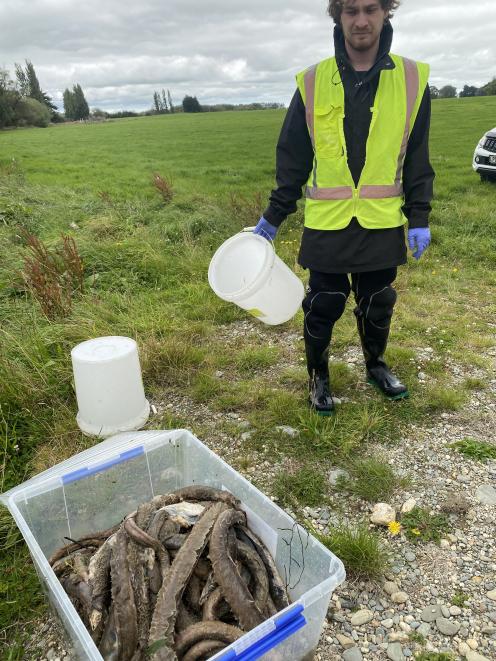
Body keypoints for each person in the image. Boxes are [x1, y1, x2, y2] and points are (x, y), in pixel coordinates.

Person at [254, 0, 434, 415]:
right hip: (328, 220)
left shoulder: (412, 78)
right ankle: (318, 377)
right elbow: (293, 156)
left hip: (382, 219)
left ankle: (376, 365)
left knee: (379, 300)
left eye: (371, 9)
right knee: (324, 303)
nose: (361, 20)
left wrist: (419, 216)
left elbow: (418, 157)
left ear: (387, 12)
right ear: (338, 16)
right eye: (350, 10)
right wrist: (274, 215)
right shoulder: (312, 81)